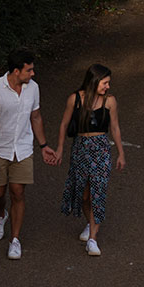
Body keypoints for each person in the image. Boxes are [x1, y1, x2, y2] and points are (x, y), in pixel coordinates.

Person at [0, 49, 59, 260]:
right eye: (29, 69)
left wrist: (44, 145)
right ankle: (0, 215)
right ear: (16, 71)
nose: (33, 73)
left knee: (18, 192)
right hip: (0, 149)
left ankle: (14, 240)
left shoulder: (33, 88)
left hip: (23, 149)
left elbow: (35, 117)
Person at [56, 64, 126, 257]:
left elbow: (115, 128)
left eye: (108, 83)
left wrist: (121, 153)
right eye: (105, 83)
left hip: (101, 149)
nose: (107, 87)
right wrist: (60, 149)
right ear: (94, 81)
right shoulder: (75, 99)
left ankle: (93, 239)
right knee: (85, 195)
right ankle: (90, 222)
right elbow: (63, 124)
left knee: (98, 192)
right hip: (80, 149)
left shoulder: (110, 102)